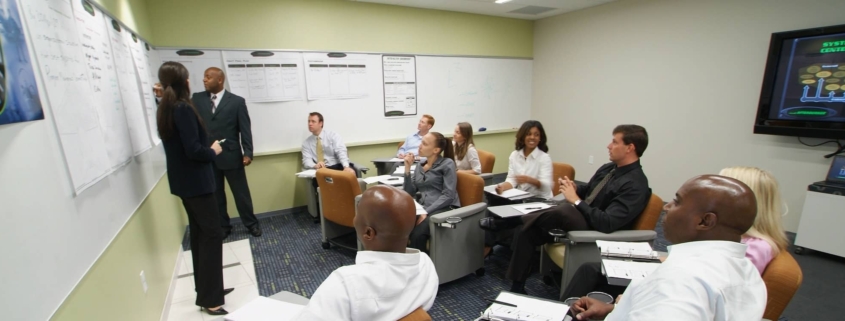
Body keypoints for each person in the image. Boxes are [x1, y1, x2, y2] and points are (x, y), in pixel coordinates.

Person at [561, 166, 789, 298]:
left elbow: (715, 289)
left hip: (670, 287)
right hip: (670, 273)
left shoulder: (753, 249)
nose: (668, 208)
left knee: (592, 271)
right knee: (595, 268)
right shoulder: (738, 238)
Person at [483, 124, 651, 294]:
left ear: (630, 148)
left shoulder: (635, 184)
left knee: (565, 209)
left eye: (614, 142)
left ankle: (509, 221)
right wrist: (574, 188)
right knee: (529, 229)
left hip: (598, 232)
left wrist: (576, 201)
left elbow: (607, 222)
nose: (609, 145)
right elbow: (589, 190)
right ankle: (517, 286)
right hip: (581, 217)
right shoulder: (609, 168)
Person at [295, 185, 439, 320]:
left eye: (357, 213)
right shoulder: (426, 265)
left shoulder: (345, 283)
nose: (354, 218)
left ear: (368, 233)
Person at [156, 62, 233, 315]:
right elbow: (194, 151)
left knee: (201, 236)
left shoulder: (166, 108)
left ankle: (209, 291)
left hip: (185, 184)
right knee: (212, 236)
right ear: (183, 83)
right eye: (189, 79)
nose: (193, 82)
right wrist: (213, 150)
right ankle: (212, 299)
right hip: (198, 184)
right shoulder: (182, 109)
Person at [192, 67, 261, 238]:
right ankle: (223, 226)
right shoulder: (197, 99)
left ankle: (251, 224)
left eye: (208, 77)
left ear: (220, 80)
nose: (204, 80)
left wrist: (248, 152)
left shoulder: (236, 102)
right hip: (208, 156)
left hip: (232, 156)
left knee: (241, 194)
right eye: (204, 76)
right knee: (216, 196)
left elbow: (245, 129)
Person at [403, 132, 460, 251]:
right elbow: (409, 192)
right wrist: (407, 169)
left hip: (444, 208)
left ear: (436, 150)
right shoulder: (420, 165)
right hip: (425, 207)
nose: (420, 145)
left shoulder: (447, 164)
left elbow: (448, 196)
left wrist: (426, 211)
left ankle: (421, 267)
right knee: (399, 224)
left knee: (417, 234)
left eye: (424, 143)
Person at [493, 120, 553, 200]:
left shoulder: (544, 158)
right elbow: (511, 180)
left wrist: (531, 181)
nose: (532, 137)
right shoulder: (514, 155)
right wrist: (502, 187)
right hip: (522, 197)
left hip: (540, 199)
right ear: (523, 136)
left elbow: (546, 187)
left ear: (540, 138)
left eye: (536, 135)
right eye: (528, 134)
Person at [301, 112, 357, 177]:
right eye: (309, 121)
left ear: (320, 123)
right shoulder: (306, 143)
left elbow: (341, 151)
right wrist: (315, 165)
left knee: (349, 175)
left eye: (313, 121)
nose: (310, 124)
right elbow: (306, 160)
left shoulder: (333, 136)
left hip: (337, 166)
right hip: (322, 170)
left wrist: (346, 166)